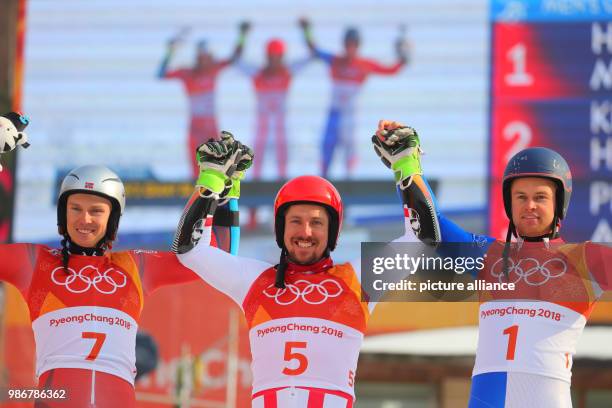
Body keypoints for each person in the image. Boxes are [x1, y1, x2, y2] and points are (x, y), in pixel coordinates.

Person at [0, 124, 246, 406]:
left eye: (96, 211)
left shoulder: (136, 266)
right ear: (62, 214)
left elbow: (219, 255)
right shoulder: (34, 263)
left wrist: (222, 192)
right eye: (75, 209)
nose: (85, 219)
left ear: (113, 219)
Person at [372, 120, 612, 408]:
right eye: (520, 197)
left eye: (540, 197)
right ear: (509, 205)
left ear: (559, 203)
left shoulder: (586, 261)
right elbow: (430, 226)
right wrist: (406, 165)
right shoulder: (490, 256)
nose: (530, 205)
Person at [172, 134, 423, 407]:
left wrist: (406, 168)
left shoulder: (358, 280)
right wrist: (215, 181)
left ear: (332, 232)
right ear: (281, 229)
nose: (305, 232)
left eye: (316, 223)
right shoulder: (255, 282)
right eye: (295, 221)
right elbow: (190, 249)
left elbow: (422, 241)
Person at [300, 19, 409, 178]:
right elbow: (314, 50)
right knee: (327, 148)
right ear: (344, 44)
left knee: (350, 150)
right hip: (334, 114)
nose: (350, 47)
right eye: (348, 43)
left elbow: (391, 70)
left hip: (350, 116)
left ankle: (349, 183)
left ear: (358, 45)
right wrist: (306, 30)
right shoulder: (335, 61)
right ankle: (323, 181)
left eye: (354, 44)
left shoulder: (363, 64)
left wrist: (402, 57)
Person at [158, 22, 250, 177]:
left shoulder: (213, 69)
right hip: (195, 127)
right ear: (198, 57)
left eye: (209, 57)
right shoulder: (187, 73)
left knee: (217, 168)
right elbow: (161, 74)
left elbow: (234, 58)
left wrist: (242, 36)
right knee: (196, 170)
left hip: (210, 126)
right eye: (203, 57)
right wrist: (170, 51)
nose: (206, 60)